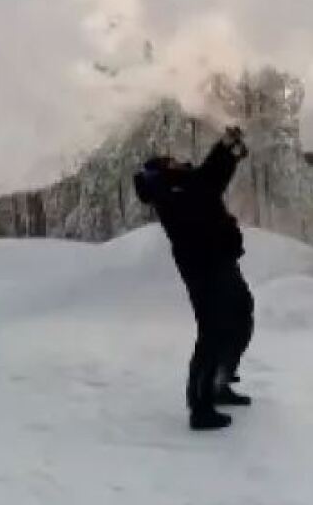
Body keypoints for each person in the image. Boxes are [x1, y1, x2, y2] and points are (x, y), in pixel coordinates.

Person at [134, 126, 255, 431]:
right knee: (213, 330)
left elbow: (207, 180)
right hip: (203, 266)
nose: (176, 160)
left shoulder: (184, 184)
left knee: (242, 314)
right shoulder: (170, 190)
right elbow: (206, 184)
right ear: (160, 171)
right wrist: (225, 150)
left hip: (221, 260)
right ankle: (200, 406)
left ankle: (220, 382)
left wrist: (228, 151)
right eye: (169, 161)